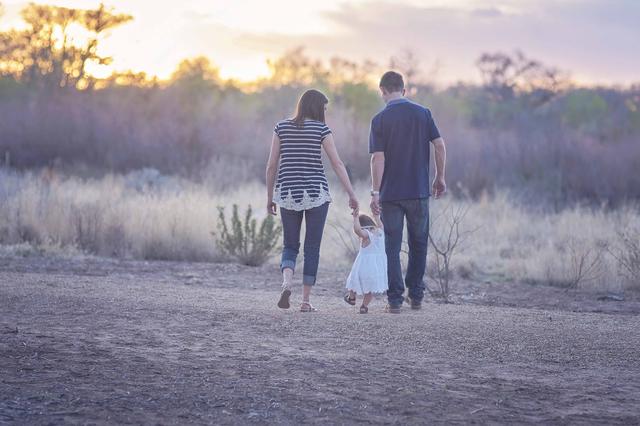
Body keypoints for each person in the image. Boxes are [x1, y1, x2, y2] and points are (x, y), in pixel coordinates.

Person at [265, 89, 359, 312]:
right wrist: (351, 194)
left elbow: (271, 166)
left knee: (290, 244)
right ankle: (305, 302)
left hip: (287, 193)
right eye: (324, 108)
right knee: (312, 248)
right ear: (317, 108)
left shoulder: (281, 127)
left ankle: (287, 283)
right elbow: (337, 164)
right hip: (316, 193)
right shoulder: (322, 129)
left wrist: (270, 197)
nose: (325, 112)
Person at [369, 71, 447, 313]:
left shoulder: (379, 119)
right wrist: (439, 176)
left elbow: (377, 159)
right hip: (418, 191)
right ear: (404, 90)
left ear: (382, 91)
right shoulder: (423, 114)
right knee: (419, 243)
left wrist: (375, 192)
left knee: (391, 246)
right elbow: (440, 145)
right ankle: (416, 296)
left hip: (391, 194)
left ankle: (394, 300)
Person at [344, 211, 388, 314]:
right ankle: (364, 306)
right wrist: (376, 215)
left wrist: (355, 218)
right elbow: (380, 223)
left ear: (363, 226)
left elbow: (357, 230)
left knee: (354, 280)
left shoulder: (367, 235)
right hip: (377, 268)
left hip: (363, 266)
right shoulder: (381, 232)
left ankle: (352, 298)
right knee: (370, 289)